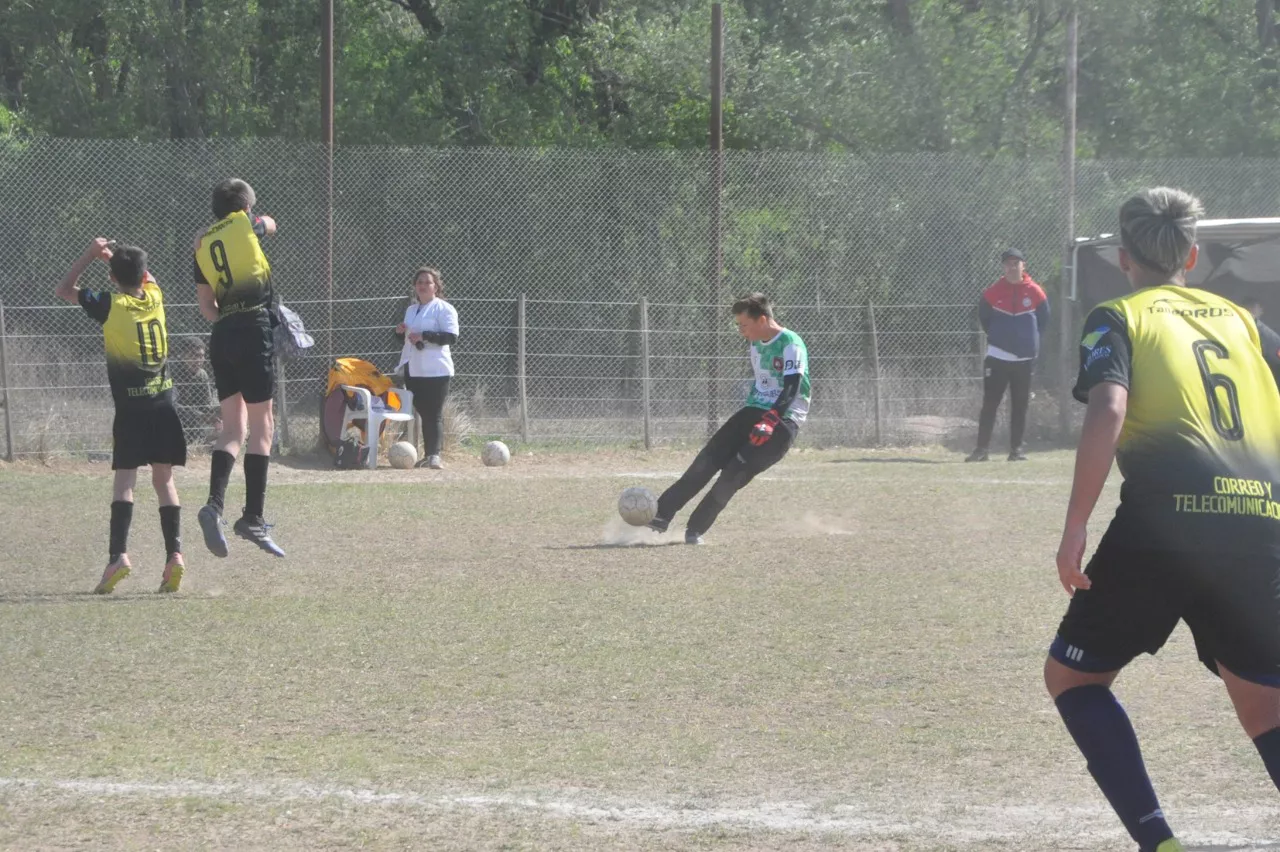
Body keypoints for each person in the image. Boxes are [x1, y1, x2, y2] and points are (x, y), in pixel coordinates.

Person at [1047, 187, 1280, 852]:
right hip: (1259, 518)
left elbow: (1109, 406)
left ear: (1124, 257)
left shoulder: (1117, 315)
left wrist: (1075, 523)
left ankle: (1160, 844)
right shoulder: (1241, 321)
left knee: (1073, 678)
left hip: (1167, 522)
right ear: (1193, 255)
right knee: (1265, 705)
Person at [55, 238, 186, 594]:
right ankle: (174, 555)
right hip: (165, 404)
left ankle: (118, 557)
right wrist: (115, 260)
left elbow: (64, 289)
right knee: (164, 481)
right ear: (143, 275)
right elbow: (146, 276)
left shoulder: (110, 305)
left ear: (112, 278)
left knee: (125, 482)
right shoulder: (155, 296)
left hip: (132, 409)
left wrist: (91, 253)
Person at [647, 293, 810, 545]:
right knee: (706, 461)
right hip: (753, 411)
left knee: (733, 474)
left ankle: (695, 530)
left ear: (762, 320)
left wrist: (770, 420)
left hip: (782, 420)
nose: (740, 331)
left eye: (744, 325)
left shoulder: (790, 343)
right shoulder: (756, 343)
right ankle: (660, 515)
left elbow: (792, 387)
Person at [193, 178, 284, 558]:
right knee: (263, 426)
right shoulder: (246, 224)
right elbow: (272, 224)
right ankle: (252, 518)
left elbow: (206, 306)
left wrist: (230, 325)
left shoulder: (201, 244)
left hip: (222, 334)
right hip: (252, 328)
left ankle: (214, 506)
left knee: (233, 429)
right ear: (246, 206)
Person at [967, 248, 1049, 462]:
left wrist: (1028, 342)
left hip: (1024, 359)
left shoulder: (1036, 292)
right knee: (990, 403)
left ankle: (1016, 450)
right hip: (997, 357)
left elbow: (1043, 320)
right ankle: (981, 450)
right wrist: (999, 339)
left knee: (1020, 405)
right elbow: (984, 319)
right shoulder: (993, 292)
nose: (1012, 267)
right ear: (1003, 267)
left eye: (1016, 263)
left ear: (1024, 265)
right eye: (1008, 264)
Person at [394, 267, 459, 470]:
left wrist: (425, 336)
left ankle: (434, 456)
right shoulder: (411, 310)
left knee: (434, 413)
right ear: (415, 286)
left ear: (436, 286)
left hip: (436, 370)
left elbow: (451, 337)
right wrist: (400, 332)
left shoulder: (444, 309)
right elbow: (406, 339)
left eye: (427, 282)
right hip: (414, 369)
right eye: (419, 282)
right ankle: (428, 455)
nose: (423, 286)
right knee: (423, 412)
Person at [170, 335, 221, 445]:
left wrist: (216, 414)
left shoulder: (202, 375)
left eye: (201, 356)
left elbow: (206, 405)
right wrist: (199, 415)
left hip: (194, 419)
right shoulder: (171, 371)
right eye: (194, 355)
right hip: (175, 417)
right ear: (182, 355)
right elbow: (171, 404)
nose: (198, 360)